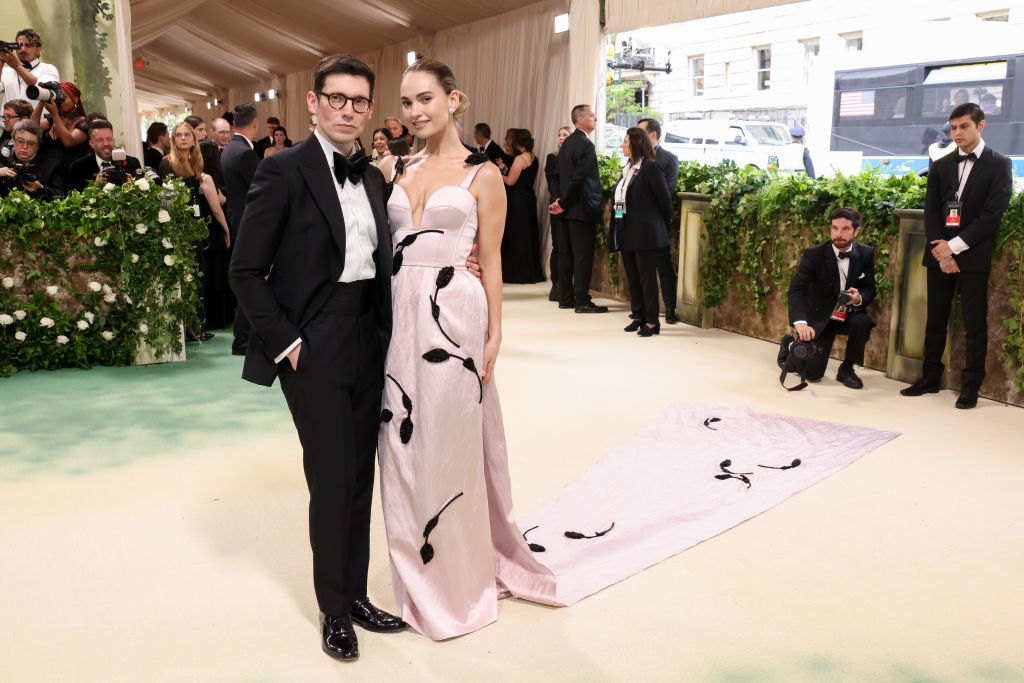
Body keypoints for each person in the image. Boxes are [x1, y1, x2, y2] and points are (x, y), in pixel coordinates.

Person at [230, 54, 421, 663]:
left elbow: (382, 257)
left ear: (370, 109)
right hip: (313, 341)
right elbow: (244, 270)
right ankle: (333, 609)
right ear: (313, 102)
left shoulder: (373, 178)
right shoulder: (282, 169)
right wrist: (288, 343)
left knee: (361, 474)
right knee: (333, 475)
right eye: (336, 98)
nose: (347, 110)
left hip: (369, 333)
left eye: (359, 101)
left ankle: (356, 594)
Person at [377, 56, 556, 642]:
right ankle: (416, 567)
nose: (415, 111)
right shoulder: (392, 168)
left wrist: (496, 330)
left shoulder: (483, 175)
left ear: (454, 100)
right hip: (396, 313)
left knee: (450, 441)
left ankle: (458, 581)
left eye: (425, 99)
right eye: (407, 102)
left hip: (455, 313)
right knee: (401, 443)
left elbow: (493, 258)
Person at [900, 102, 1013, 409]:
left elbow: (992, 215)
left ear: (981, 125)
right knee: (935, 320)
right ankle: (929, 378)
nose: (957, 133)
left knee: (975, 325)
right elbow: (932, 210)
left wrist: (955, 246)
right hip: (939, 254)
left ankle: (970, 387)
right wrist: (942, 250)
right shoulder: (941, 164)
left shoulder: (1000, 164)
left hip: (973, 255)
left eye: (964, 126)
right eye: (953, 128)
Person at [782, 206, 876, 388]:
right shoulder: (814, 254)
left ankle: (847, 368)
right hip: (820, 316)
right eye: (834, 228)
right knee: (812, 374)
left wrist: (858, 298)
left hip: (847, 314)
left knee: (863, 322)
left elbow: (869, 288)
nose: (838, 234)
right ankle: (789, 344)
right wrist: (800, 322)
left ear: (856, 231)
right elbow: (797, 289)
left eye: (845, 229)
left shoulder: (865, 254)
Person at [159, 121, 232, 336]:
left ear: (193, 140)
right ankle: (187, 328)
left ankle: (197, 326)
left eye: (187, 135)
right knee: (183, 277)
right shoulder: (167, 163)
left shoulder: (196, 162)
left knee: (198, 276)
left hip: (196, 228)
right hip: (176, 227)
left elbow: (210, 203)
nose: (183, 138)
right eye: (178, 135)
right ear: (173, 140)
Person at [613, 127, 673, 337]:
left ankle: (652, 321)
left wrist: (661, 227)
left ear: (636, 144)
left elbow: (665, 201)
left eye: (626, 141)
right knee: (633, 277)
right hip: (626, 229)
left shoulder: (650, 167)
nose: (623, 145)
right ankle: (638, 315)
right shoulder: (628, 168)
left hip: (646, 233)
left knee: (647, 278)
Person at [549, 104, 607, 313]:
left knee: (566, 255)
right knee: (582, 256)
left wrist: (558, 201)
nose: (596, 118)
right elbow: (579, 179)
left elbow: (556, 177)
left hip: (565, 211)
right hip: (580, 209)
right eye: (592, 115)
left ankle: (566, 298)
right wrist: (563, 203)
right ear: (580, 120)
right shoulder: (585, 144)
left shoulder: (567, 143)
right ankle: (582, 301)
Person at [221, 103, 260, 355]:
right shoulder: (245, 153)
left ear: (234, 124)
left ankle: (245, 335)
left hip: (238, 222)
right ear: (255, 124)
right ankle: (243, 338)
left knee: (247, 279)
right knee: (252, 281)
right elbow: (263, 190)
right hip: (251, 226)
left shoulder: (228, 149)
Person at [637, 117, 680, 323]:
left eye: (641, 132)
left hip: (657, 221)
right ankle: (642, 308)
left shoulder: (669, 159)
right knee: (641, 268)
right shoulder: (636, 158)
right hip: (637, 223)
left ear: (653, 135)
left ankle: (670, 308)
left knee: (664, 266)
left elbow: (667, 191)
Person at [500, 127, 542, 283]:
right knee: (527, 235)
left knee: (516, 235)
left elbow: (510, 181)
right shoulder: (533, 157)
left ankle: (518, 273)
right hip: (529, 199)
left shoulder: (519, 159)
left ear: (517, 143)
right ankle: (530, 272)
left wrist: (497, 173)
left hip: (518, 200)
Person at [67, 119, 142, 192]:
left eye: (109, 139)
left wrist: (133, 186)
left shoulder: (132, 163)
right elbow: (74, 199)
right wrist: (95, 187)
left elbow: (143, 195)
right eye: (100, 140)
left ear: (113, 140)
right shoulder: (78, 167)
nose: (106, 144)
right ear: (91, 143)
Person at [30, 80, 89, 170]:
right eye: (58, 97)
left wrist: (55, 114)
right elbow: (31, 128)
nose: (60, 101)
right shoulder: (52, 120)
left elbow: (68, 142)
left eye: (63, 98)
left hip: (71, 173)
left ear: (76, 99)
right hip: (47, 173)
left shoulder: (84, 123)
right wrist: (43, 99)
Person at [0, 119, 65, 200]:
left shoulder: (52, 166)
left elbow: (61, 195)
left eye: (30, 143)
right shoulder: (2, 160)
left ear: (38, 146)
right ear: (13, 140)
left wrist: (40, 188)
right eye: (20, 141)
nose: (25, 147)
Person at [544, 125, 571, 302]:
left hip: (571, 206)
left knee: (567, 247)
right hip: (556, 204)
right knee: (558, 246)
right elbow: (552, 183)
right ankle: (556, 285)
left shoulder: (572, 157)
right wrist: (559, 201)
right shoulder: (552, 158)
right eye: (559, 135)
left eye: (565, 135)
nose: (561, 137)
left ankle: (567, 286)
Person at [0, 29, 58, 108]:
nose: (23, 49)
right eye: (19, 45)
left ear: (38, 49)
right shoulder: (7, 71)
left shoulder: (49, 69)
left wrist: (17, 66)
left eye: (28, 45)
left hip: (36, 116)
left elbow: (43, 91)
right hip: (7, 116)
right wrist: (1, 60)